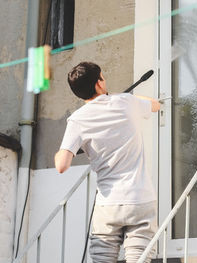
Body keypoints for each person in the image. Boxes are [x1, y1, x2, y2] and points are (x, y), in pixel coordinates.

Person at [54, 62, 160, 263]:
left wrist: (62, 152)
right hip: (140, 199)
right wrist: (125, 98)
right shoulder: (126, 102)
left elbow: (62, 165)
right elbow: (155, 104)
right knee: (140, 258)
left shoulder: (77, 120)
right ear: (99, 84)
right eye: (103, 77)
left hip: (108, 205)